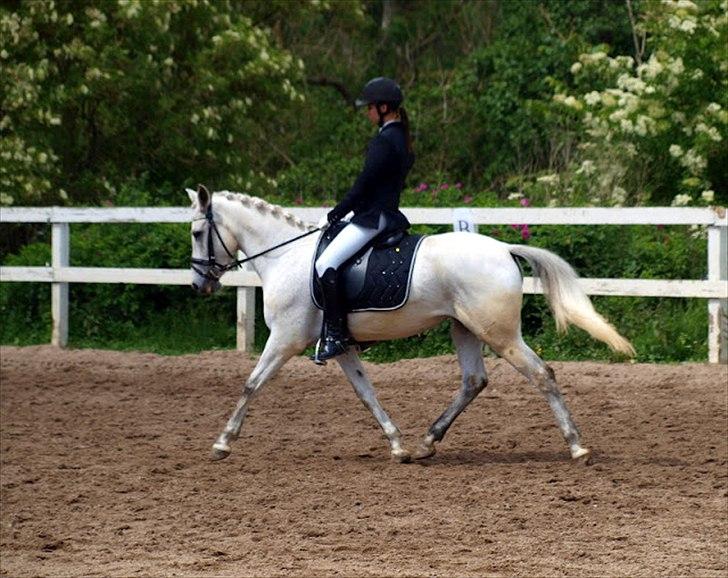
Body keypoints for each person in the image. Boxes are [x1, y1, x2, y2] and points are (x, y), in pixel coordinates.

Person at [312, 77, 415, 364]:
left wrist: (335, 214)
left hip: (373, 218)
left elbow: (363, 185)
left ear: (384, 107)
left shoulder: (384, 141)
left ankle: (336, 335)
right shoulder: (401, 137)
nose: (367, 112)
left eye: (370, 107)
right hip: (386, 214)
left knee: (325, 263)